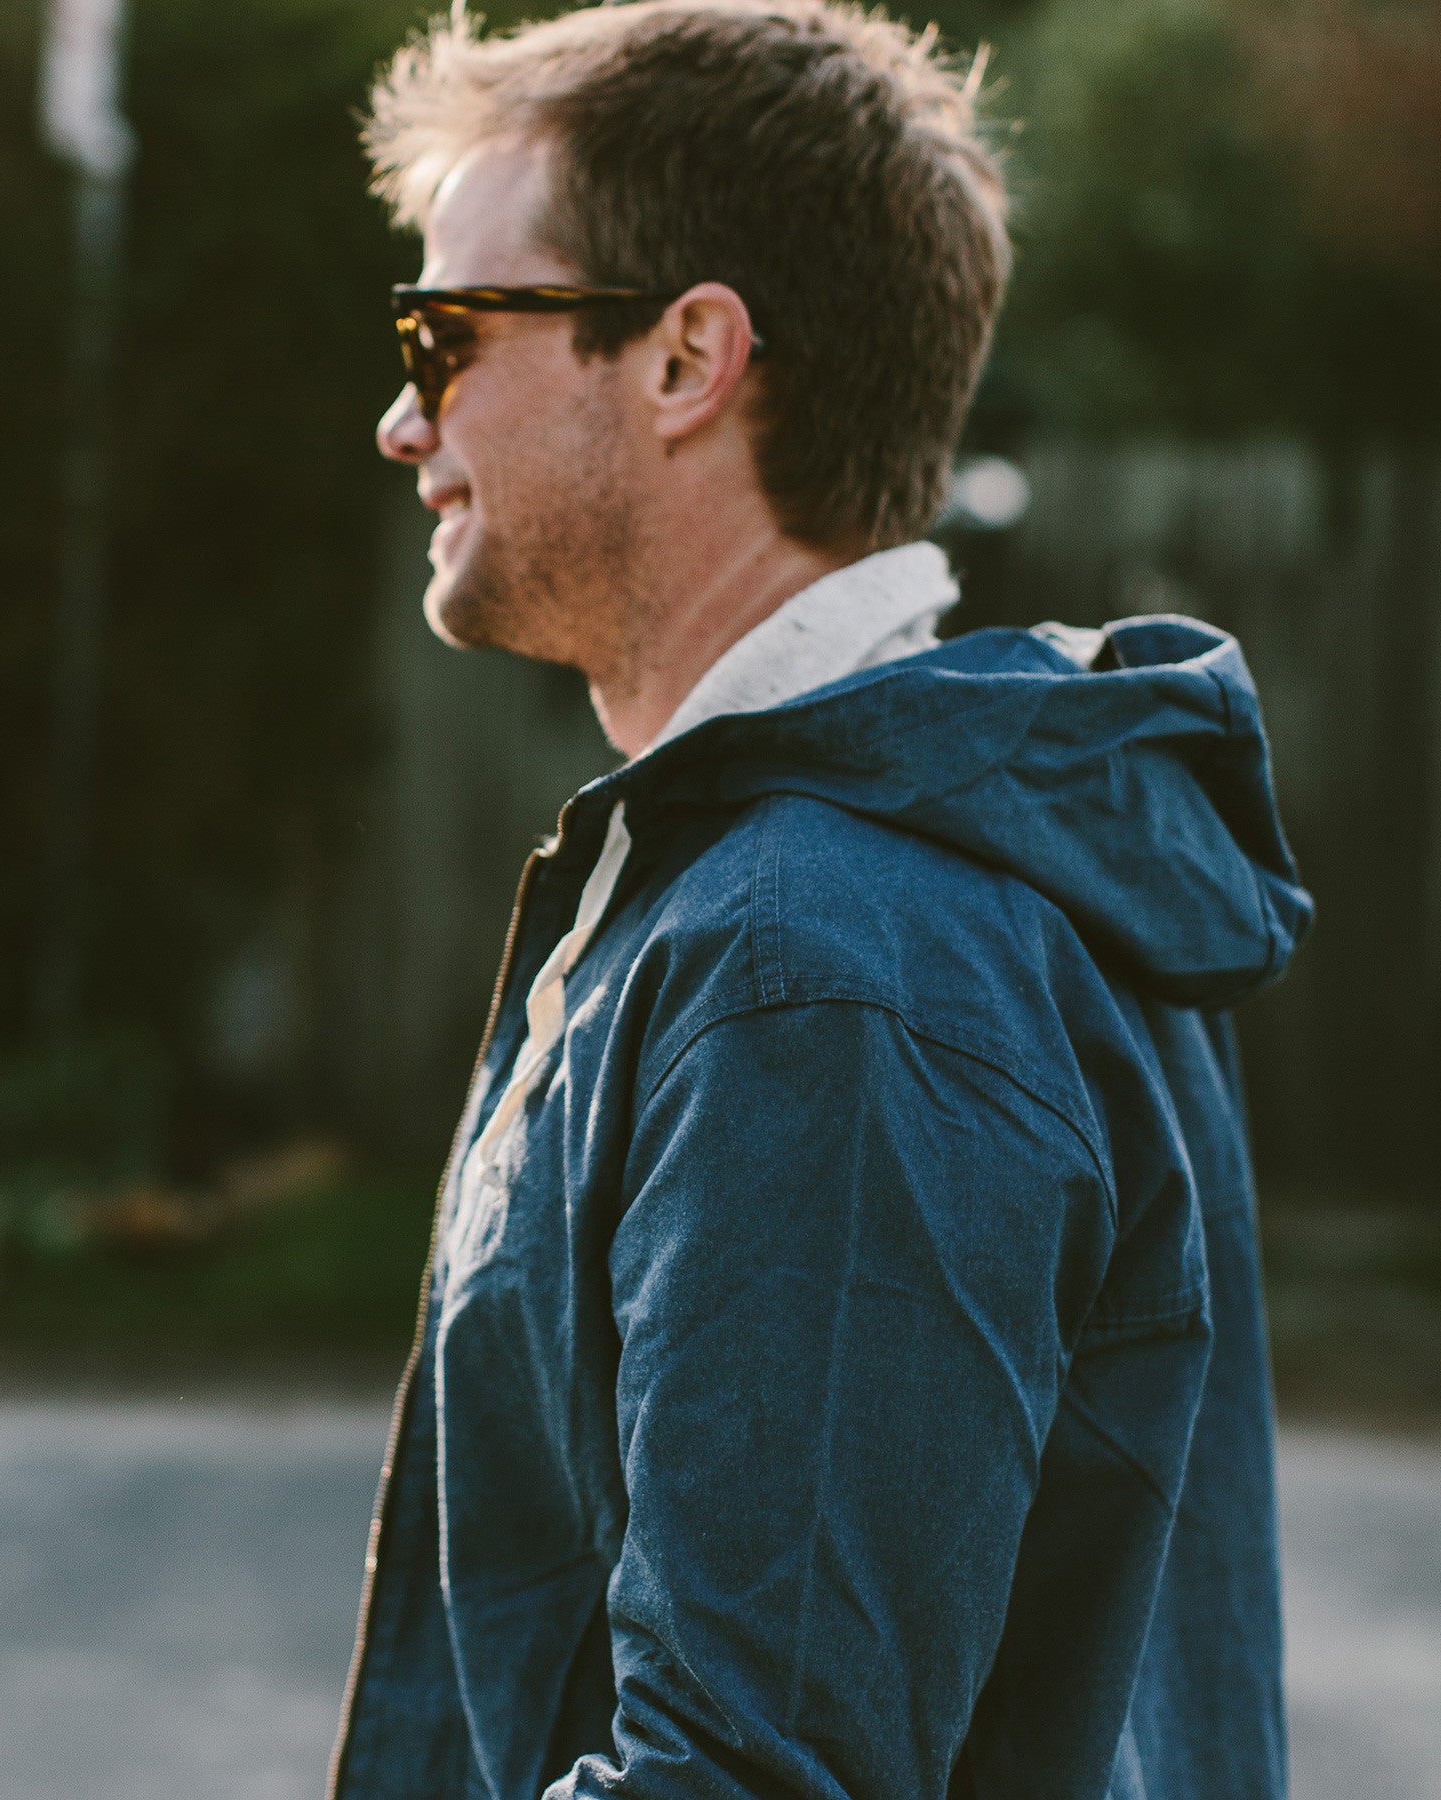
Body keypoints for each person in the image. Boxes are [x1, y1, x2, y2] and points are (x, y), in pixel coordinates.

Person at [329, 2, 1311, 1795]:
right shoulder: (895, 876)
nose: (404, 417)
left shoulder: (827, 966)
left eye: (448, 329)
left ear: (688, 356)